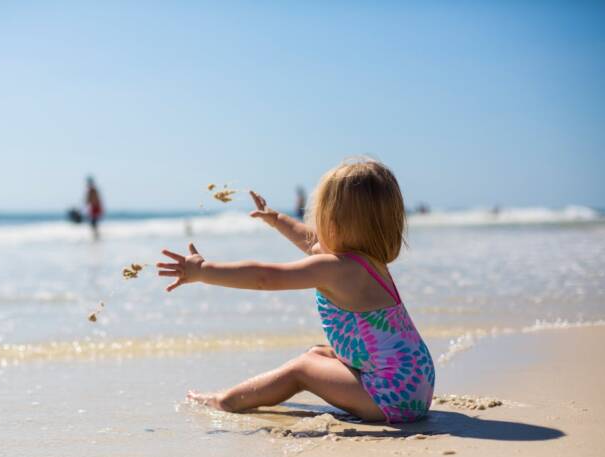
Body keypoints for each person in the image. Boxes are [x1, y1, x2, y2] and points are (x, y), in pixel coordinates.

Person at [156, 158, 435, 423]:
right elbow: (311, 243)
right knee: (318, 353)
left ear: (333, 222)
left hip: (391, 396)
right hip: (414, 383)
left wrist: (204, 271)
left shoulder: (337, 268)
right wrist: (277, 219)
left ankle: (225, 401)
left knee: (302, 368)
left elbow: (265, 277)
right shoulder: (368, 263)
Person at [84, 175, 104, 240]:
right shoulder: (92, 190)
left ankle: (96, 235)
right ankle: (96, 235)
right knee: (93, 223)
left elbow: (91, 200)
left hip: (95, 208)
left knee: (94, 222)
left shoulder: (92, 190)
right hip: (94, 208)